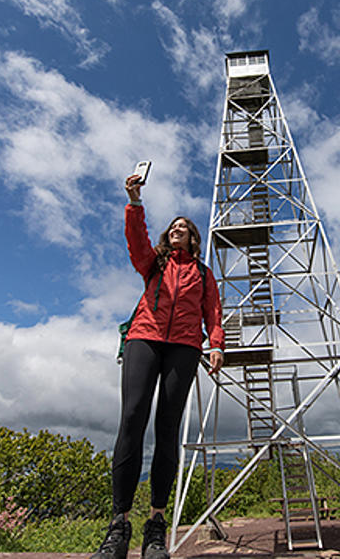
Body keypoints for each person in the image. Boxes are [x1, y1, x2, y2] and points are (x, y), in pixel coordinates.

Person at [92, 173, 225, 559]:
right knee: (132, 417)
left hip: (184, 346)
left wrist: (215, 344)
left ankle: (155, 527)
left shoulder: (203, 274)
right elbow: (136, 243)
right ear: (168, 237)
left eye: (185, 227)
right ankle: (118, 526)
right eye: (174, 227)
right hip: (144, 338)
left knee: (167, 426)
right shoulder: (153, 264)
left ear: (194, 239)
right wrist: (135, 203)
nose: (179, 229)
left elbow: (213, 313)